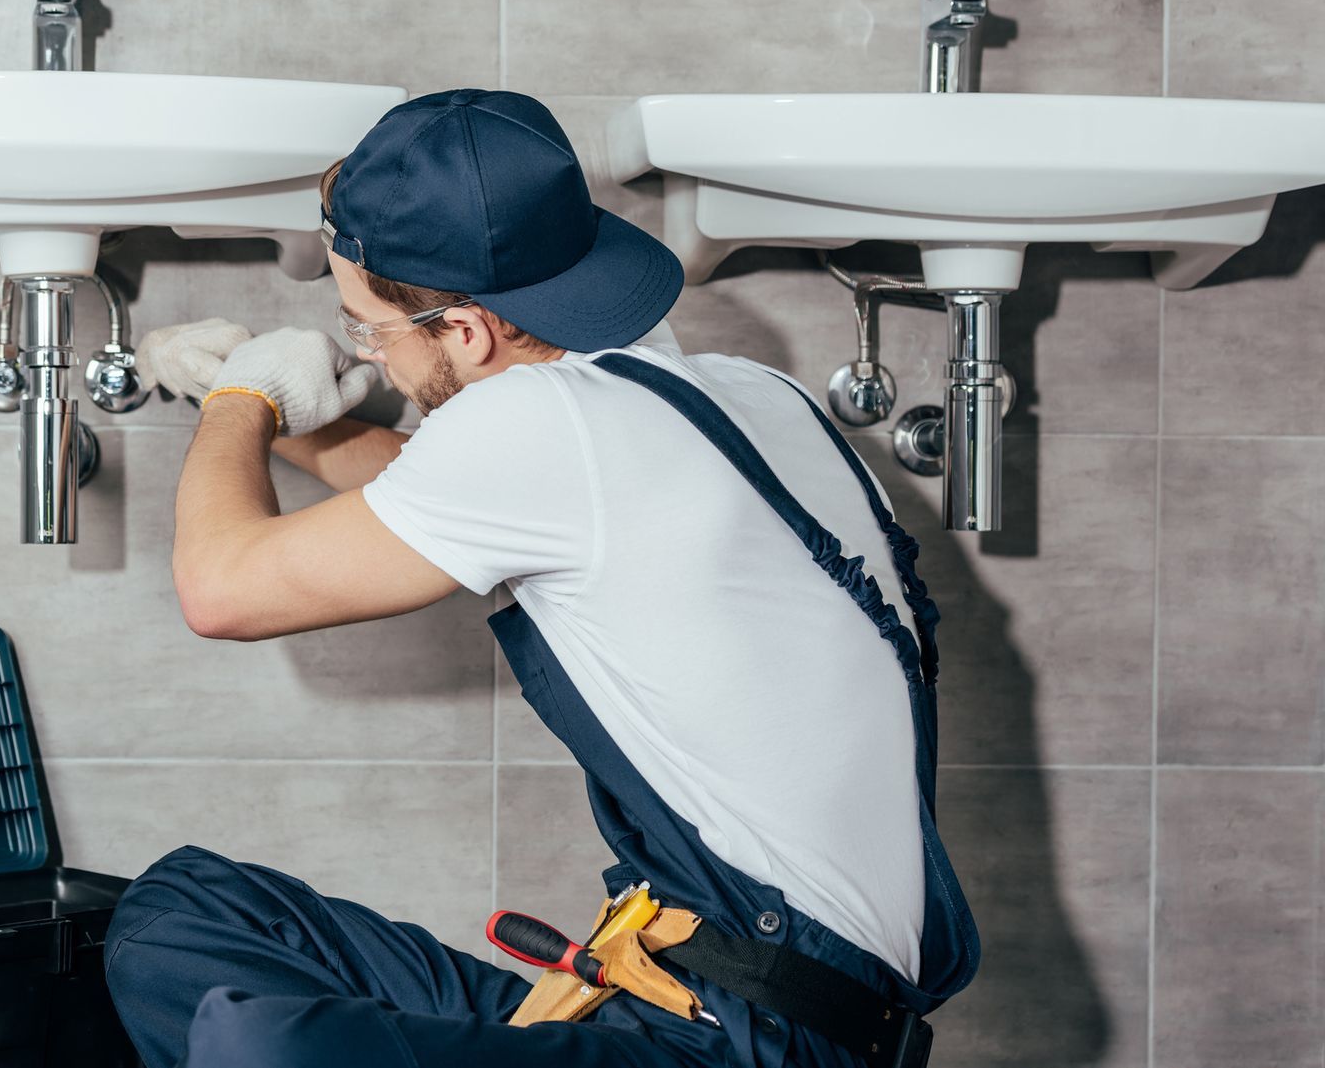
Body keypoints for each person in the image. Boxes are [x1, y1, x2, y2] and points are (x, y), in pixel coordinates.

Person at [103, 89, 978, 1068]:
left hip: (753, 1048)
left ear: (468, 331)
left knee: (262, 1045)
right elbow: (439, 501)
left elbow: (220, 591)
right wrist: (295, 418)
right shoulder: (742, 393)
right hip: (706, 1003)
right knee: (184, 911)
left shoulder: (538, 428)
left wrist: (241, 399)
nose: (376, 361)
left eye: (367, 330)